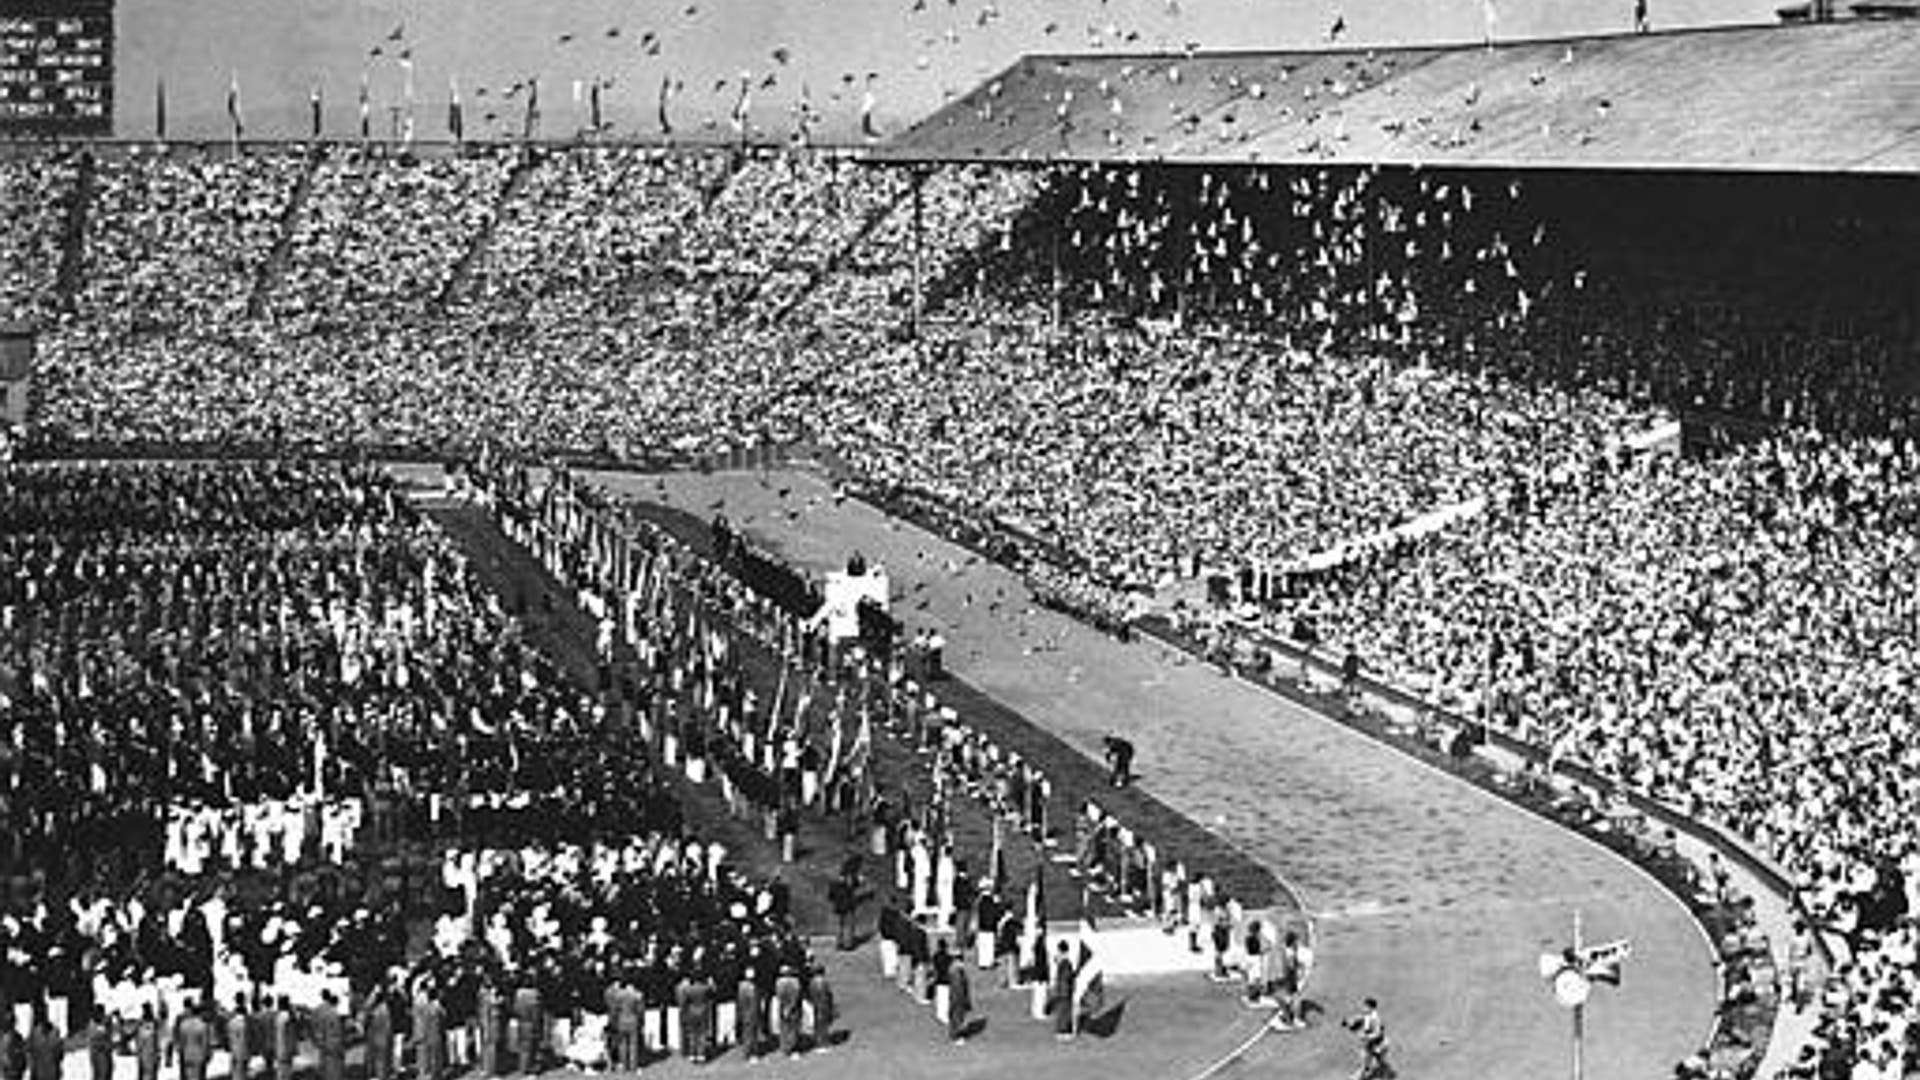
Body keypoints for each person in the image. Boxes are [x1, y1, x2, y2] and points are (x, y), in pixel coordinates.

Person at [1345, 998, 1390, 1080]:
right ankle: (1365, 1073)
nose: (1363, 1008)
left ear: (1371, 1008)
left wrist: (1366, 1037)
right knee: (1369, 1058)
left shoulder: (1375, 1019)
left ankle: (1360, 1076)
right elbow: (1359, 1018)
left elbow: (1378, 1033)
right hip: (1372, 1044)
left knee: (1370, 1058)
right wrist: (1349, 1022)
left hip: (1379, 1044)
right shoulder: (1367, 1014)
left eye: (1365, 1006)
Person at [174, 1005, 212, 1080]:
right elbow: (205, 1043)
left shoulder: (183, 1025)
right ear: (200, 1013)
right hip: (199, 1056)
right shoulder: (203, 1026)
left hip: (187, 1055)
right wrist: (207, 1056)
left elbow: (181, 1043)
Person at [774, 964, 803, 1058]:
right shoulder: (795, 982)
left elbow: (779, 996)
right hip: (793, 1007)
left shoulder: (778, 982)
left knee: (784, 1027)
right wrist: (790, 1007)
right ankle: (792, 1048)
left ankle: (784, 1048)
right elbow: (796, 995)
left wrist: (785, 1007)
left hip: (783, 1006)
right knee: (793, 1028)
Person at [946, 953, 972, 1045]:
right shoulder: (956, 972)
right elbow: (959, 988)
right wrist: (964, 1000)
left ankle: (956, 1034)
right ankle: (956, 1036)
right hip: (958, 999)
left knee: (957, 1017)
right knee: (957, 1017)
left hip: (956, 998)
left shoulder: (956, 971)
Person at [85, 1008, 113, 1080]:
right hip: (99, 1054)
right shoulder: (94, 1027)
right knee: (101, 1075)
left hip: (103, 1054)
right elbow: (96, 1040)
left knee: (104, 1074)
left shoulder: (101, 1025)